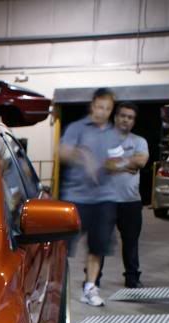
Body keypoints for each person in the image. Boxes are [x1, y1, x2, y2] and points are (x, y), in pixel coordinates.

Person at [59, 88, 120, 306]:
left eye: (108, 109)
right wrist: (83, 156)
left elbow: (116, 160)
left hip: (104, 198)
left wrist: (113, 165)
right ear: (92, 106)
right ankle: (56, 287)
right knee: (63, 248)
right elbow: (63, 152)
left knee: (98, 247)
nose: (103, 112)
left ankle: (90, 287)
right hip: (76, 197)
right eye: (100, 107)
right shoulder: (77, 128)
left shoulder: (114, 134)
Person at [103, 101, 150, 288]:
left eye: (130, 117)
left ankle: (132, 278)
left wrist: (115, 163)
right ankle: (93, 279)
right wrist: (126, 163)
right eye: (123, 115)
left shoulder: (139, 141)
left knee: (131, 242)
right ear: (115, 117)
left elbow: (141, 162)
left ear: (134, 121)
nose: (126, 120)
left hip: (131, 201)